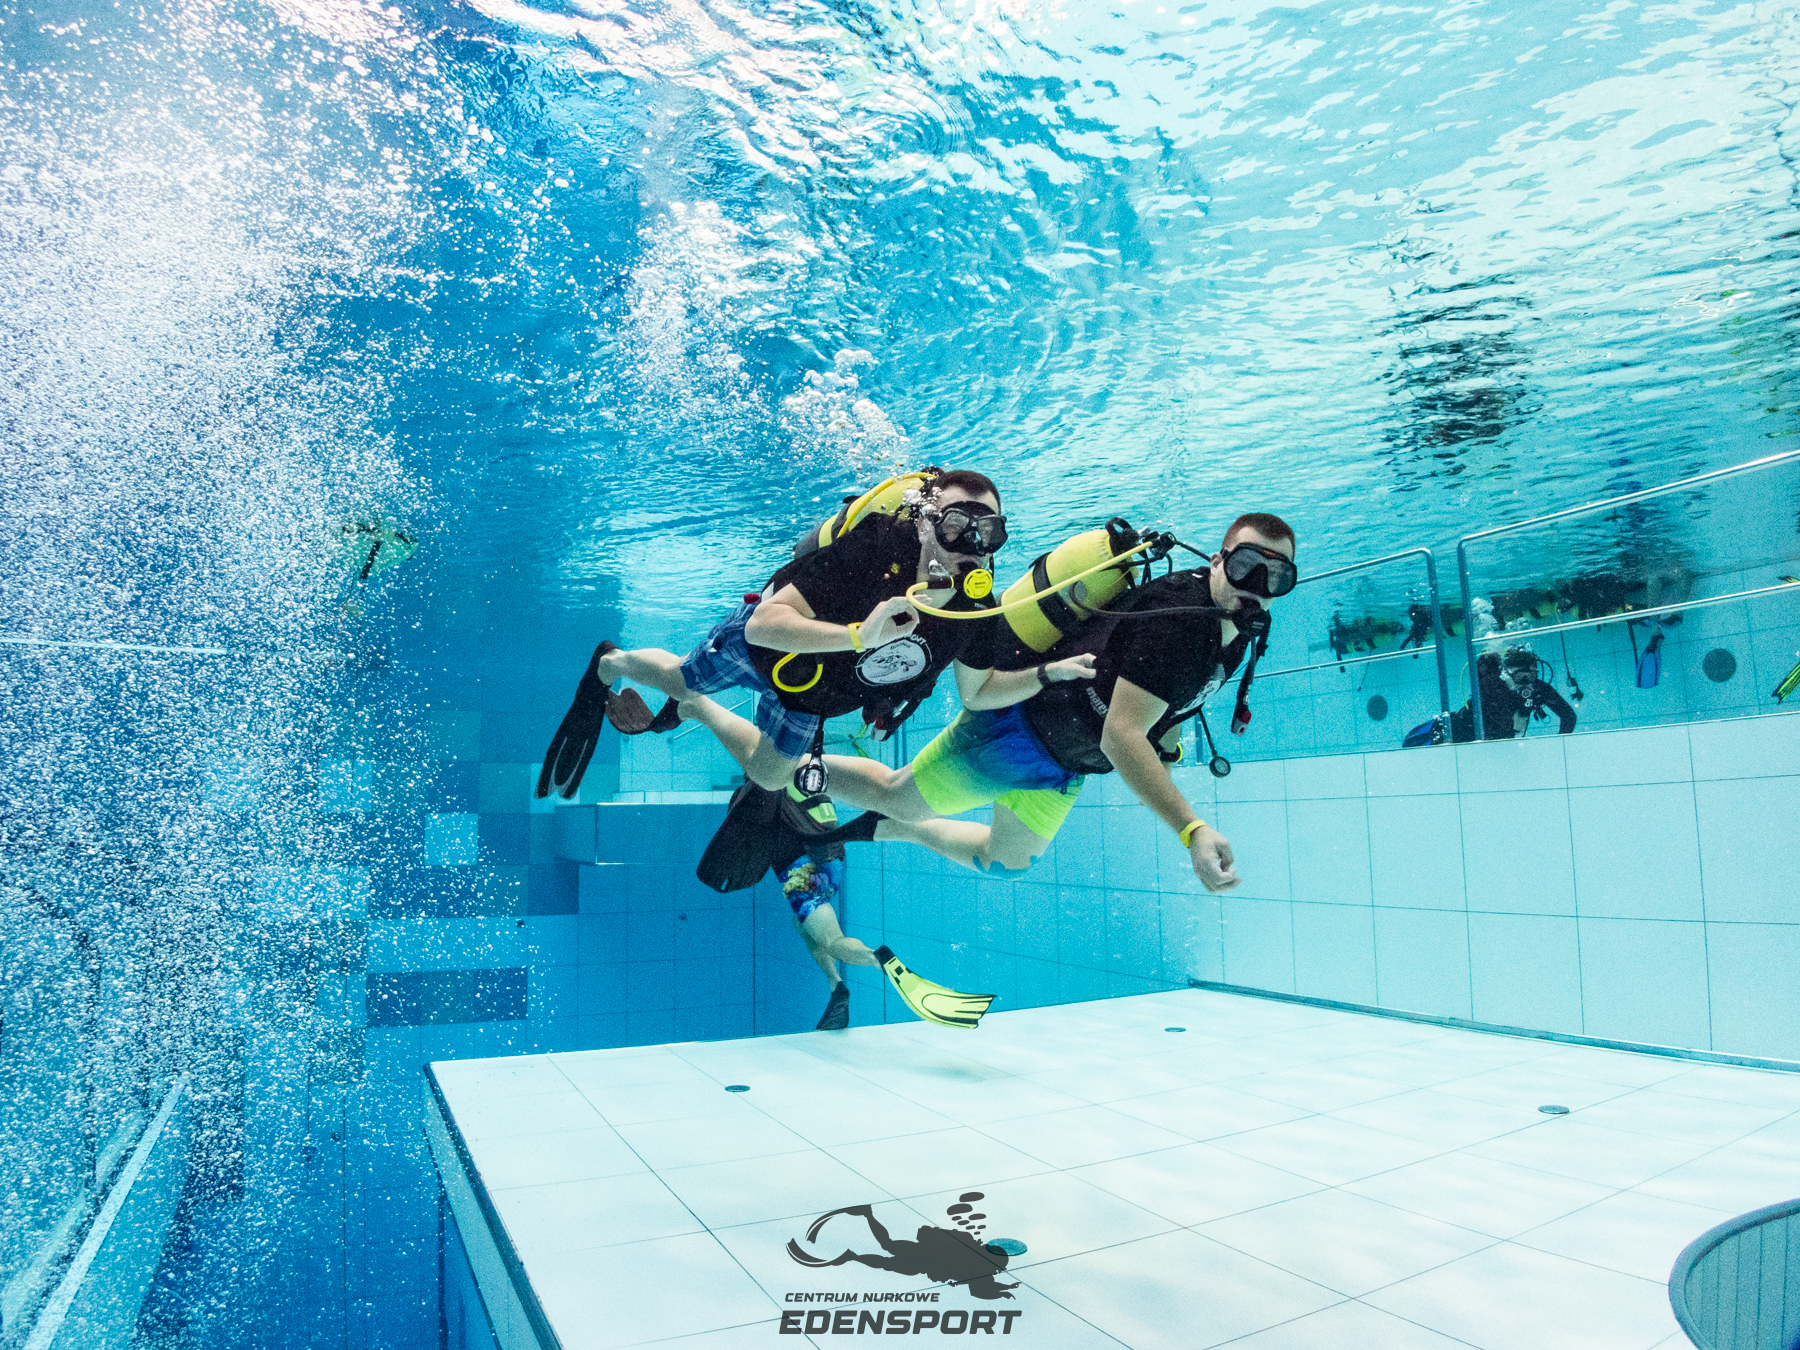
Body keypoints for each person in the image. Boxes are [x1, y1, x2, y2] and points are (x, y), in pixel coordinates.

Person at [538, 467, 1058, 1030]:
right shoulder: (873, 551)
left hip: (813, 696)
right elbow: (764, 625)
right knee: (683, 678)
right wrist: (859, 634)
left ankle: (696, 712)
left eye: (990, 532)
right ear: (927, 522)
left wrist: (1049, 674)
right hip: (768, 653)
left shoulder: (974, 610)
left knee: (768, 773)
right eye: (958, 526)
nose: (972, 546)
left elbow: (977, 692)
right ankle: (611, 662)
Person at [687, 513, 1297, 899]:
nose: (1258, 588)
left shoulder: (1238, 626)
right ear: (1218, 561)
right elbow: (1122, 735)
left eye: (1277, 578)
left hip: (1067, 763)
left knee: (1005, 863)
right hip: (1018, 732)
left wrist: (1164, 736)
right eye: (1247, 567)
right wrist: (1191, 829)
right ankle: (747, 740)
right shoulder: (1180, 628)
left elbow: (1153, 701)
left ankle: (891, 828)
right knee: (895, 791)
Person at [1446, 646, 1577, 742]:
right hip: (1460, 732)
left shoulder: (1538, 688)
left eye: (1529, 676)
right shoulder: (1491, 683)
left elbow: (1569, 715)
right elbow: (1496, 725)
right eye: (1519, 676)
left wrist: (1561, 743)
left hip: (1496, 743)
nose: (1525, 682)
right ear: (1507, 675)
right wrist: (1515, 719)